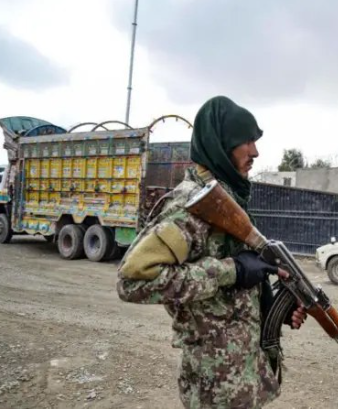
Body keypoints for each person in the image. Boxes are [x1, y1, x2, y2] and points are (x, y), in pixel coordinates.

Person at [116, 95, 307, 409]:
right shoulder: (190, 205)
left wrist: (273, 308)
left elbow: (233, 291)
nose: (255, 151)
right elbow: (132, 281)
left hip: (242, 375)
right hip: (215, 385)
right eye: (246, 141)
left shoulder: (228, 201)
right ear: (221, 143)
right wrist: (231, 271)